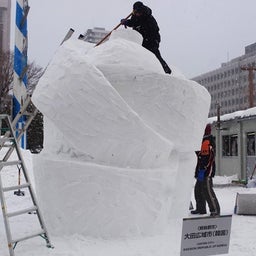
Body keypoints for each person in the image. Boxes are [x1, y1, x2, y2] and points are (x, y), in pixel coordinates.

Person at [121, 1, 172, 74]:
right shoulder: (135, 15)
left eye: (138, 12)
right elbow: (133, 22)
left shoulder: (148, 17)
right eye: (135, 12)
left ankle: (167, 72)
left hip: (151, 40)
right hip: (141, 41)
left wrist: (152, 41)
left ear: (141, 11)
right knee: (141, 58)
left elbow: (154, 30)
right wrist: (126, 22)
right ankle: (144, 72)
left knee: (155, 56)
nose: (136, 14)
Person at [191, 124, 221, 217]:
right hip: (201, 170)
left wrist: (205, 168)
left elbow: (209, 157)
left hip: (206, 171)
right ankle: (201, 208)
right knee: (198, 190)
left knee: (207, 191)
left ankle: (215, 210)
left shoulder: (208, 141)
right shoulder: (201, 141)